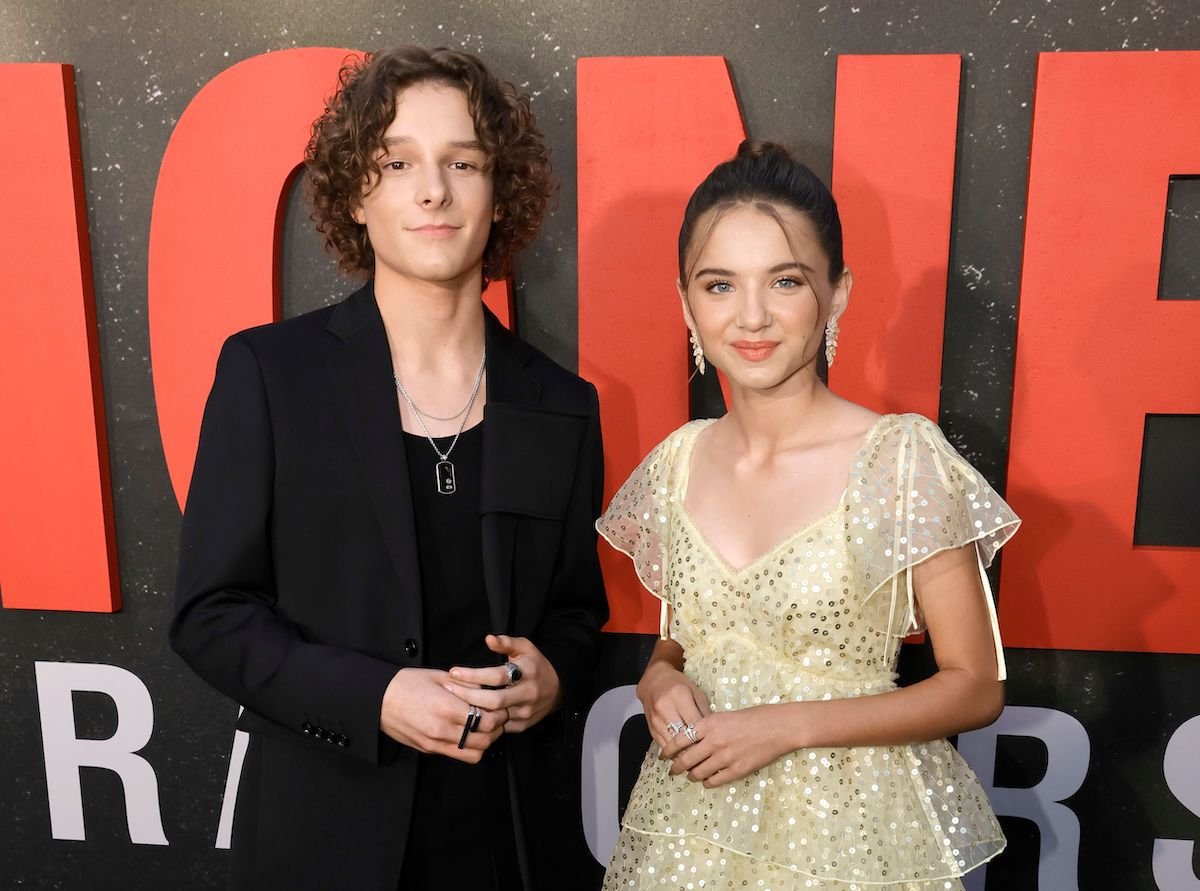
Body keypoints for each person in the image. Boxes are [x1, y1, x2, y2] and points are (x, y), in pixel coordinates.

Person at [170, 46, 608, 891]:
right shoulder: (271, 375)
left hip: (505, 842)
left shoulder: (561, 401)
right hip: (323, 840)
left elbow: (576, 613)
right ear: (356, 195)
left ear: (499, 192)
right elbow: (210, 615)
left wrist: (550, 677)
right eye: (398, 162)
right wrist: (375, 697)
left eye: (463, 162)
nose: (433, 189)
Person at [597, 140, 1018, 890]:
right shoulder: (678, 462)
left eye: (785, 280)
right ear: (685, 301)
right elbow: (681, 641)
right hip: (693, 831)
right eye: (719, 284)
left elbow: (975, 684)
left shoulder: (899, 457)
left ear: (839, 291)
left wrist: (784, 724)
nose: (751, 316)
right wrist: (656, 682)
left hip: (850, 838)